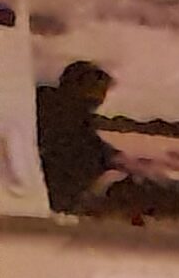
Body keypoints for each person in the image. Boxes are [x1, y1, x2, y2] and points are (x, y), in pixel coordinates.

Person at [34, 60, 122, 214]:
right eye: (96, 89)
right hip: (51, 182)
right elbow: (77, 142)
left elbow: (85, 139)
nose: (100, 98)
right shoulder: (60, 108)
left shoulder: (63, 107)